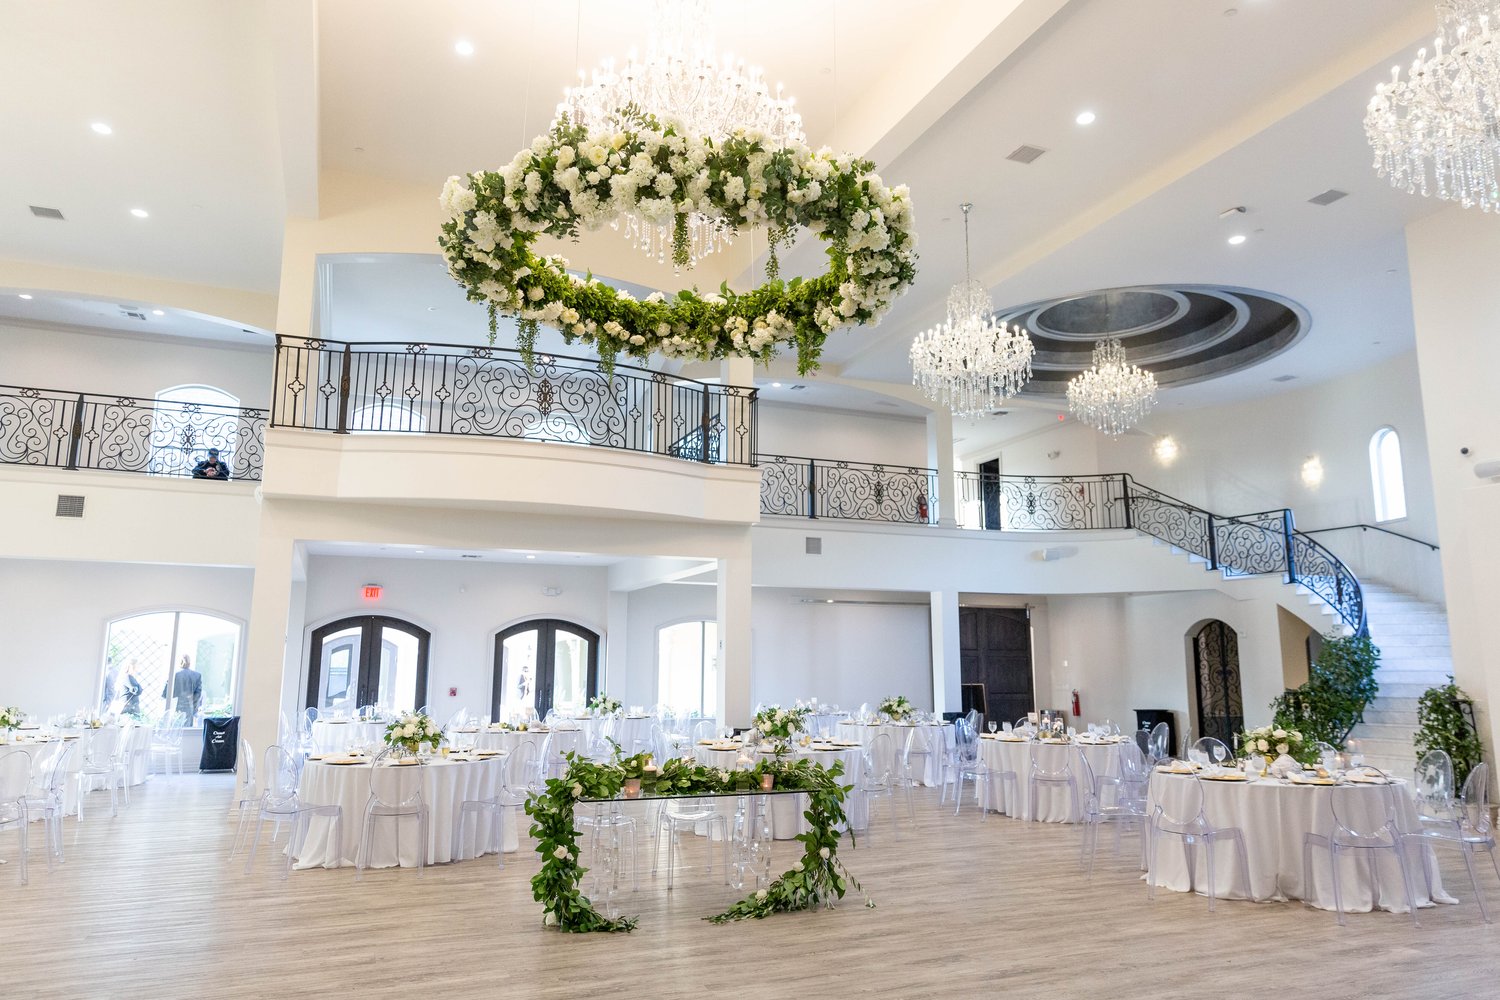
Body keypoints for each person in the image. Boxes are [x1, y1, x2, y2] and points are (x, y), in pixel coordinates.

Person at [163, 654, 202, 723]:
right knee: (187, 728)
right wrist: (194, 709)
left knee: (174, 726)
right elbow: (197, 695)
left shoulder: (174, 675)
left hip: (175, 708)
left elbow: (165, 694)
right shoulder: (197, 675)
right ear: (189, 663)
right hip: (189, 708)